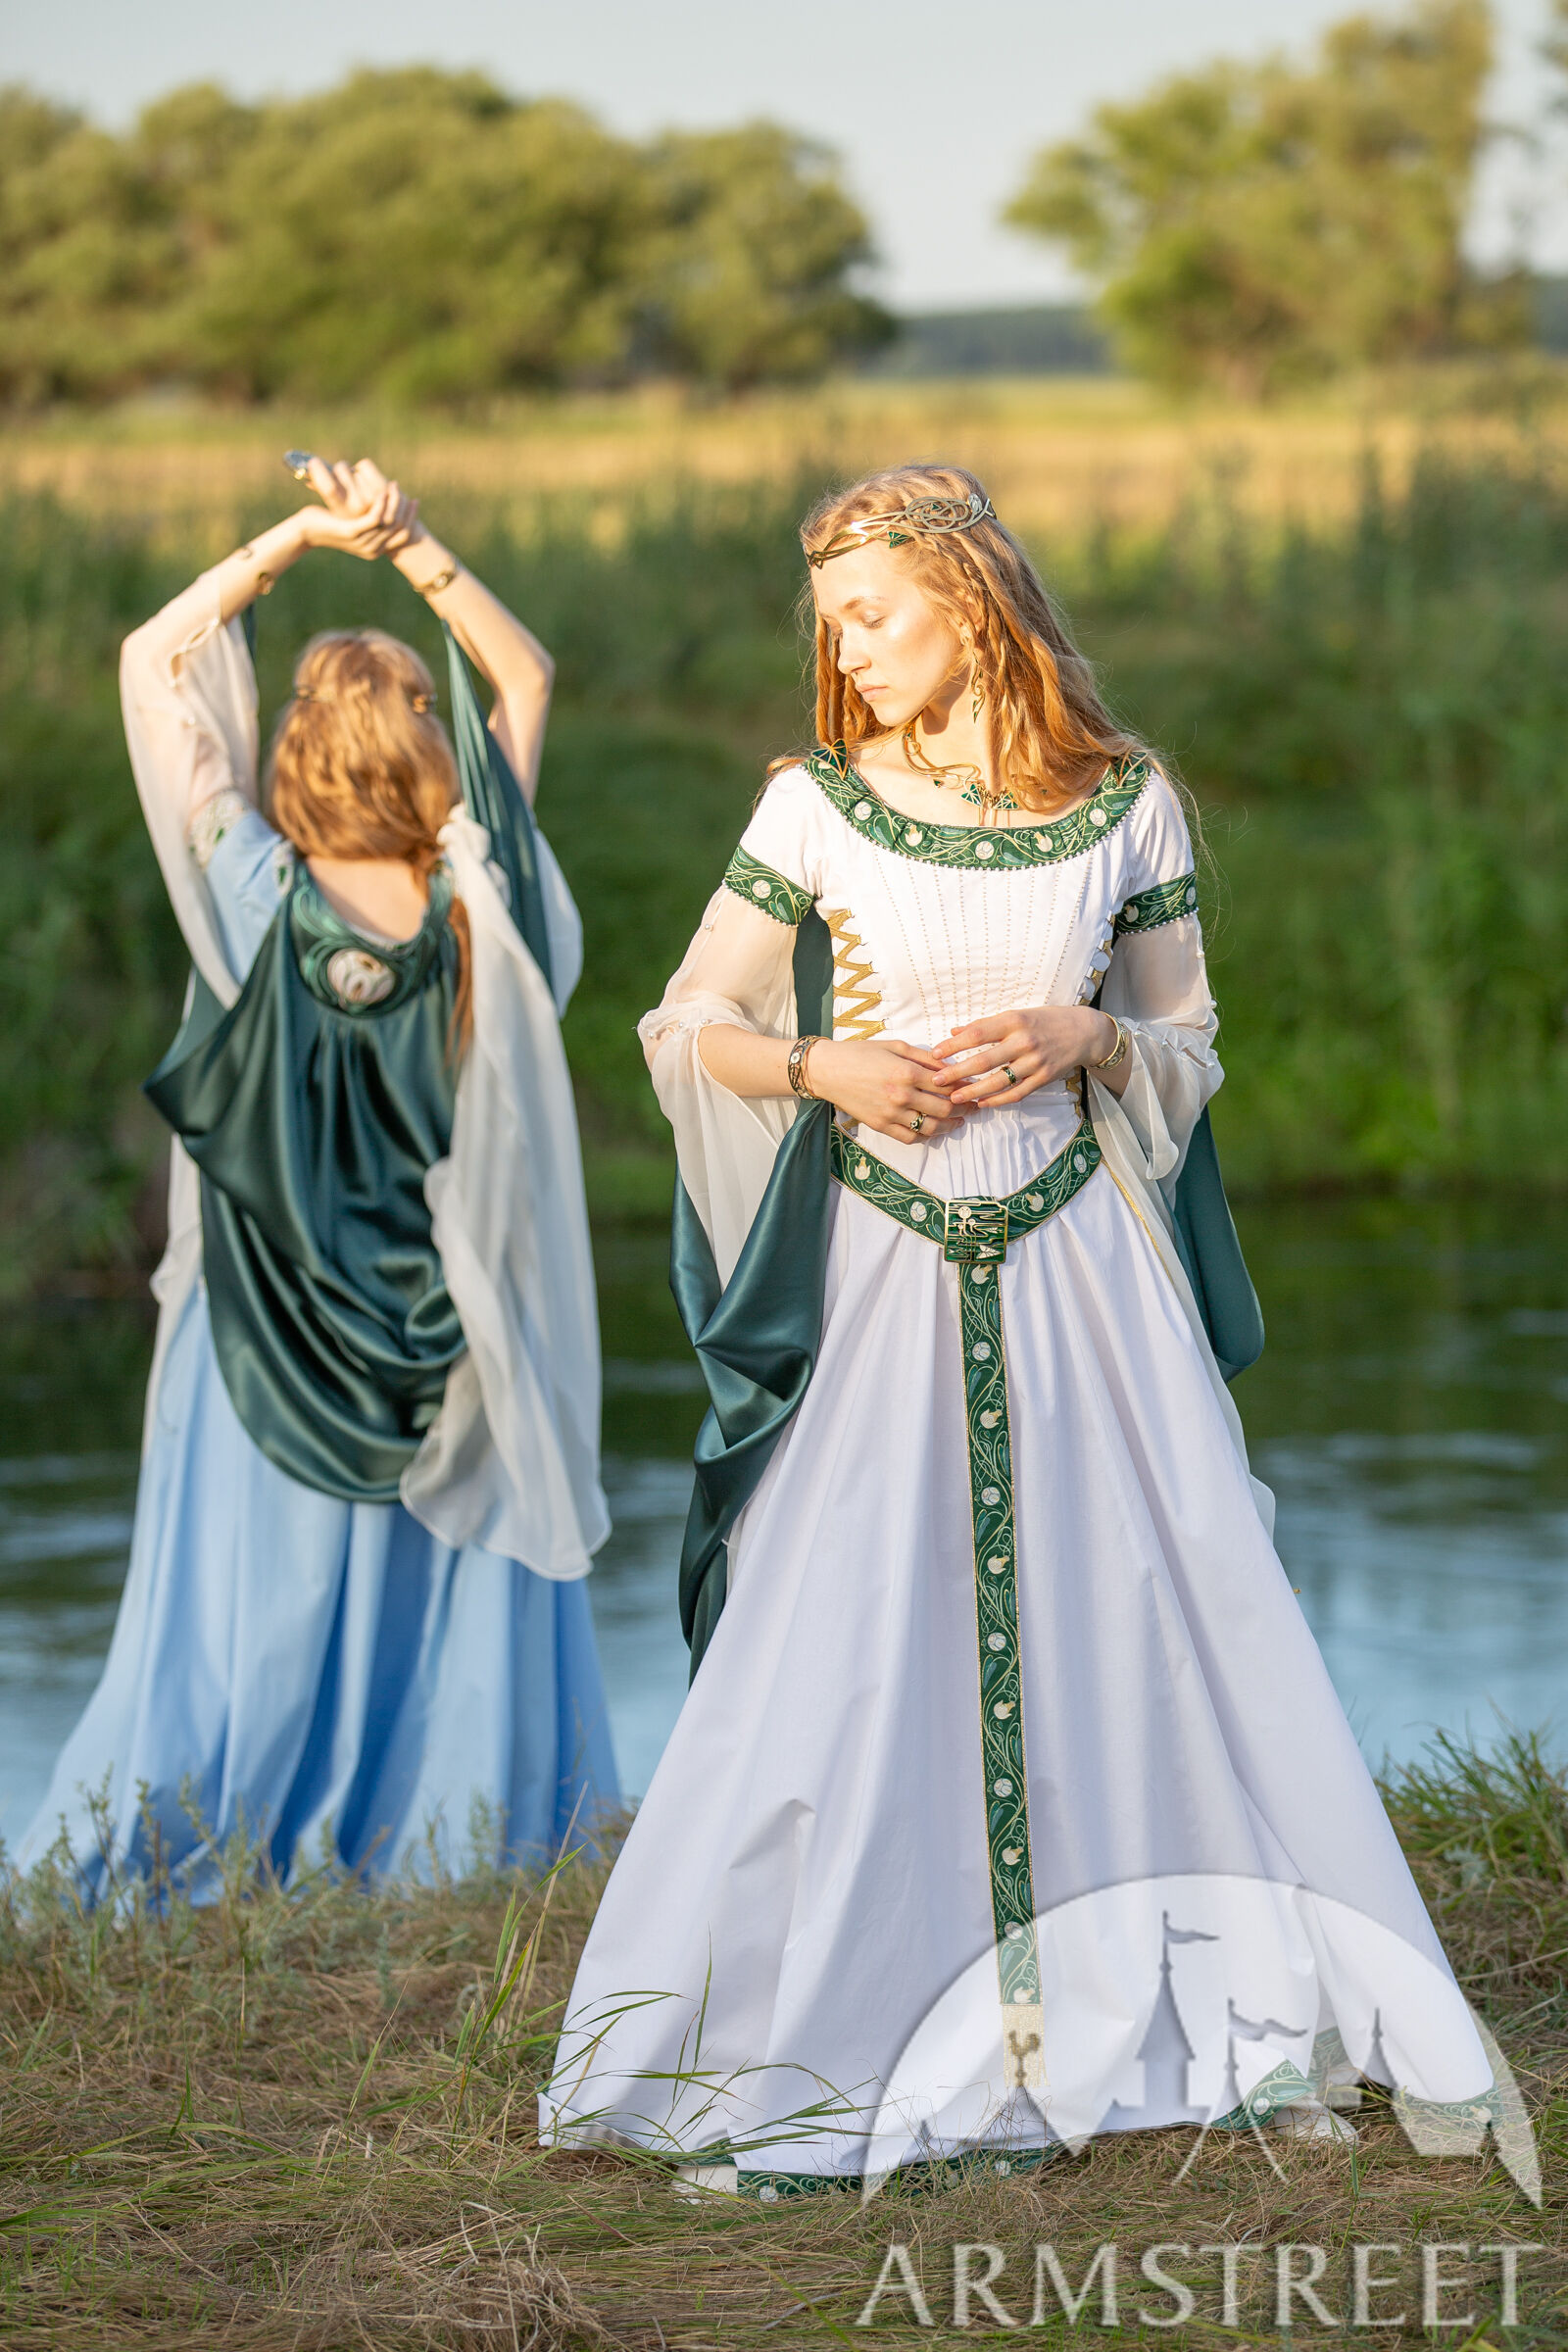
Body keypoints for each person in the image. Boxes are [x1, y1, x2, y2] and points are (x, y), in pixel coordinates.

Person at [541, 466, 1494, 2193]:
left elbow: (1188, 1044)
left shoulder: (1130, 805)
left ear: (970, 602)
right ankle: (851, 2025)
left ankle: (1167, 2002)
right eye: (832, 623)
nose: (846, 651)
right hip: (881, 1274)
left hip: (1085, 1280)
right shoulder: (814, 807)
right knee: (854, 1635)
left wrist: (1088, 1037)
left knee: (1138, 1610)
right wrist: (824, 1065)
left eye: (872, 616)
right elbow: (687, 1025)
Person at [21, 458, 618, 1894]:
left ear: (294, 747)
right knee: (434, 1575)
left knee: (258, 1587)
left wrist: (296, 533)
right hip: (446, 1313)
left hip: (263, 1318)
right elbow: (526, 676)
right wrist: (408, 545)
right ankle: (439, 1833)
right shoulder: (484, 901)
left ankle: (243, 1820)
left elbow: (155, 659)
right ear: (427, 745)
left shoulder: (245, 889)